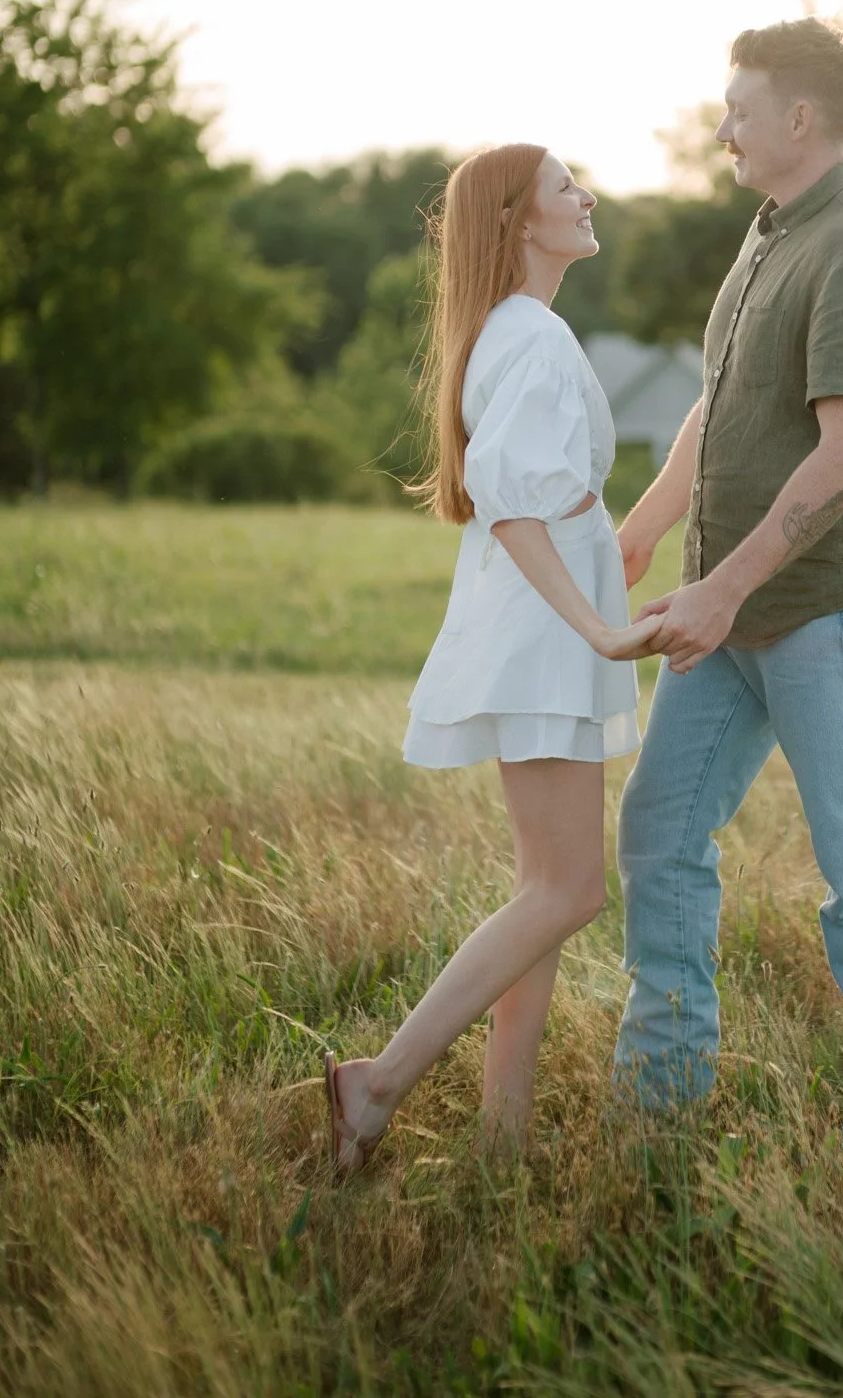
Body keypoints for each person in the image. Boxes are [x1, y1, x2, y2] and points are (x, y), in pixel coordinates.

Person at [614, 19, 843, 1157]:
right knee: (658, 832)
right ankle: (663, 1096)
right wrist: (649, 528)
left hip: (823, 608)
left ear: (799, 118)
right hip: (732, 607)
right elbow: (721, 403)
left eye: (738, 111)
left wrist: (723, 588)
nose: (723, 133)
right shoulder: (767, 232)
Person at [324, 143, 658, 1174]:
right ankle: (375, 1082)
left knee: (543, 888)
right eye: (567, 185)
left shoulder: (519, 333)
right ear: (517, 217)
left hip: (538, 633)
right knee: (568, 891)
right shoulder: (537, 342)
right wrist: (599, 629)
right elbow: (513, 504)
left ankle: (500, 1138)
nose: (587, 195)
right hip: (544, 637)